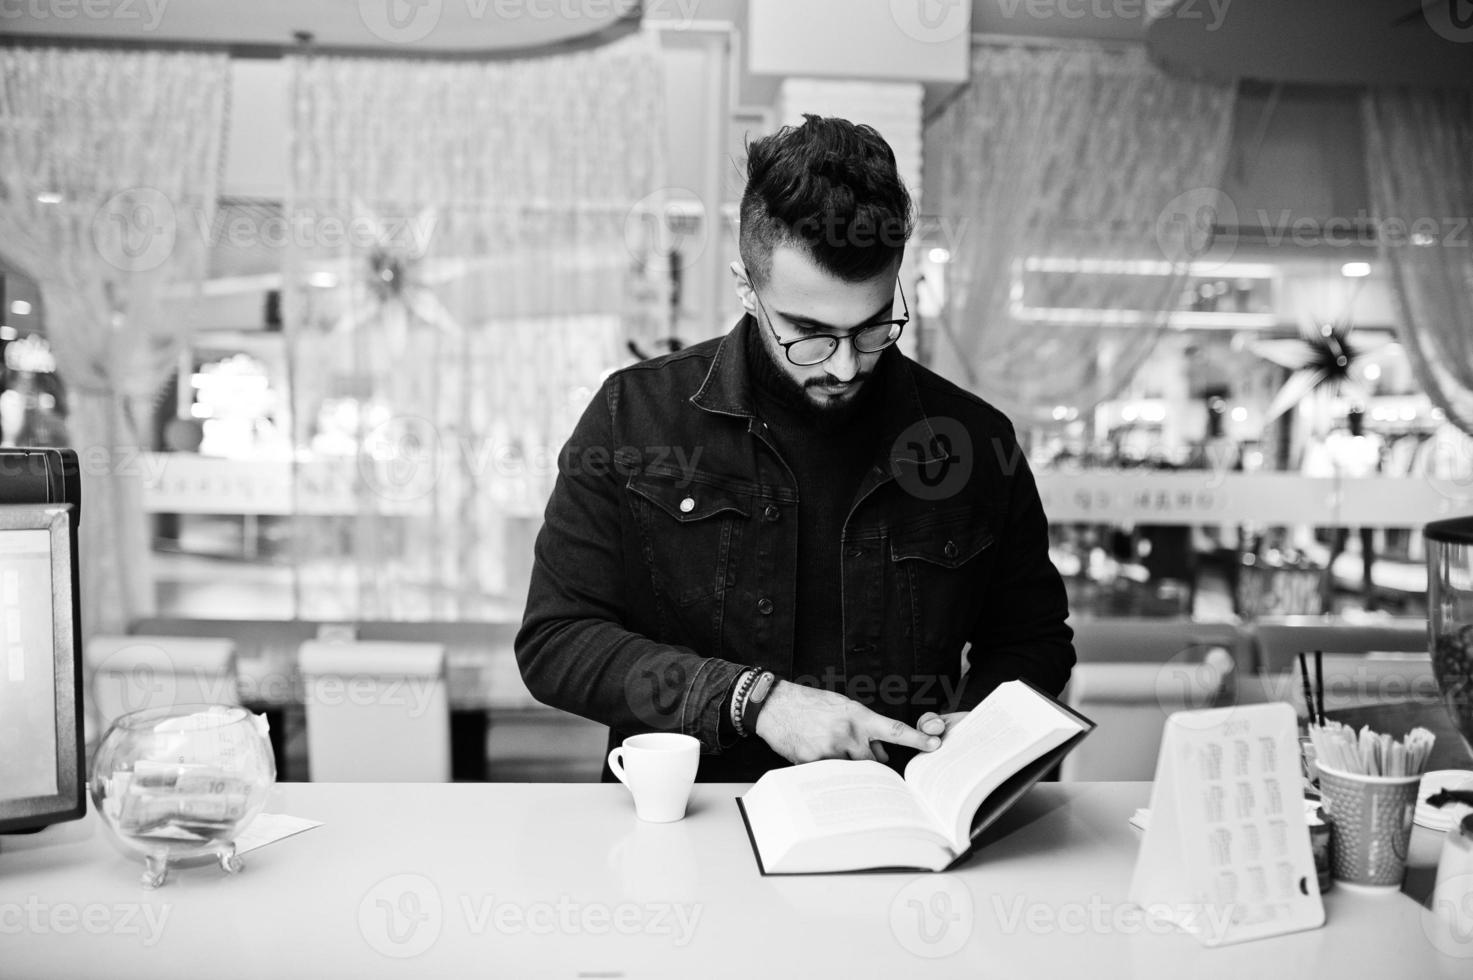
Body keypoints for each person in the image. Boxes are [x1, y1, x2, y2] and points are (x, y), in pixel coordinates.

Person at [515, 115, 1075, 782]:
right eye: (808, 333)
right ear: (747, 289)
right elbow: (557, 642)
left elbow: (1031, 640)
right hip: (692, 824)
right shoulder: (633, 417)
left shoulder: (975, 442)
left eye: (872, 328)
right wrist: (756, 701)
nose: (842, 366)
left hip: (898, 825)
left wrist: (985, 724)